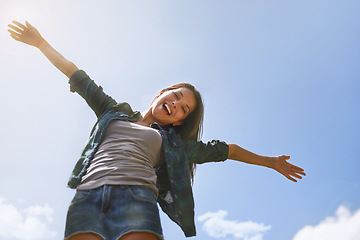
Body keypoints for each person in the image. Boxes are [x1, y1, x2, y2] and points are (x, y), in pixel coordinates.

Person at [8, 20, 306, 240]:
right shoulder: (113, 111)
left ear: (178, 122)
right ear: (163, 93)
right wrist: (40, 43)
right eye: (175, 96)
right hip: (88, 196)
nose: (176, 105)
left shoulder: (175, 144)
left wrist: (271, 162)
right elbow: (77, 75)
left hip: (137, 200)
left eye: (184, 108)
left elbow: (227, 151)